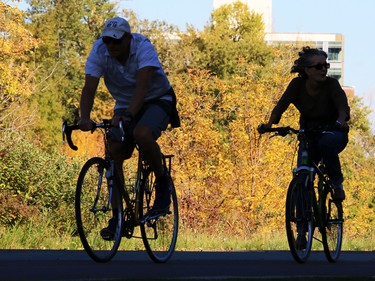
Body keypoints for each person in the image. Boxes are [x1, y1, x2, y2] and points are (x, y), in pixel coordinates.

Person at [78, 16, 180, 239]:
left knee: (141, 133)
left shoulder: (142, 46)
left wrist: (128, 116)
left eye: (117, 41)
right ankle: (118, 217)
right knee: (114, 154)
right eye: (108, 41)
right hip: (124, 104)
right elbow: (89, 87)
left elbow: (143, 86)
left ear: (128, 39)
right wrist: (83, 118)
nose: (112, 46)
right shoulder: (99, 50)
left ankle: (163, 182)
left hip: (156, 98)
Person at [259, 46, 350, 202]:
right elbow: (280, 107)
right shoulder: (296, 85)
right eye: (319, 66)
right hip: (310, 133)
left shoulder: (332, 85)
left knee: (326, 144)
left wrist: (341, 121)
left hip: (334, 131)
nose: (324, 70)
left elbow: (342, 107)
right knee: (303, 168)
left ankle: (337, 185)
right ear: (307, 70)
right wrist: (269, 124)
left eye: (325, 66)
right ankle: (304, 213)